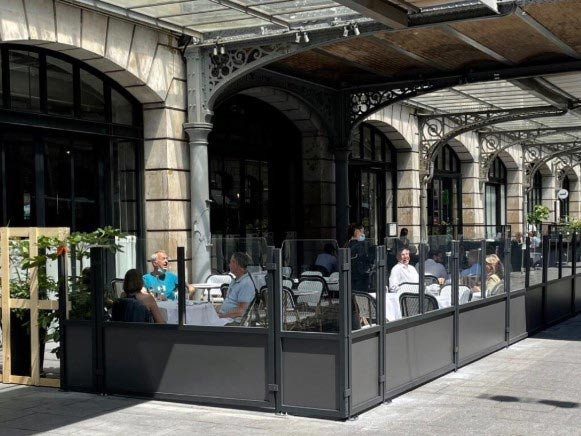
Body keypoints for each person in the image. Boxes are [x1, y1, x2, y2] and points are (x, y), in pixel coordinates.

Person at [218, 252, 256, 322]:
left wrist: (222, 316)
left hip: (234, 321)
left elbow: (241, 311)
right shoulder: (234, 280)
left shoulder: (246, 283)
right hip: (225, 317)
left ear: (237, 264)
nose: (229, 265)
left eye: (231, 262)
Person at [346, 223, 372, 292]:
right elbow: (363, 259)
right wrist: (368, 268)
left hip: (349, 276)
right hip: (359, 278)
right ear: (356, 231)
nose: (363, 234)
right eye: (362, 232)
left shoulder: (347, 244)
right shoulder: (359, 245)